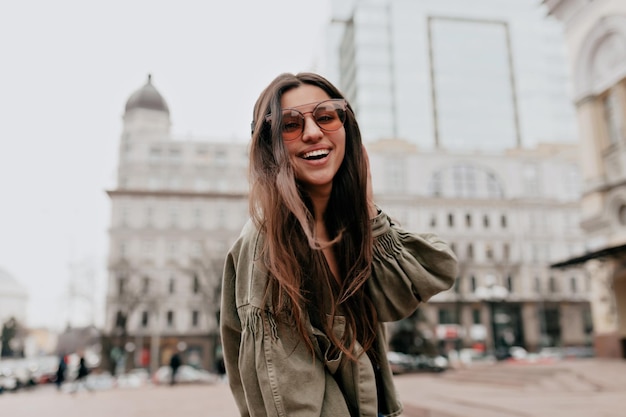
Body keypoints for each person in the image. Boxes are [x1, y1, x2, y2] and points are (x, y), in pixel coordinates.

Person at [220, 72, 458, 417]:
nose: (313, 132)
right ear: (269, 146)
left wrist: (368, 212)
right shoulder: (266, 246)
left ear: (348, 130)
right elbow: (292, 400)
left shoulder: (350, 225)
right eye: (290, 125)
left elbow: (425, 279)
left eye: (326, 117)